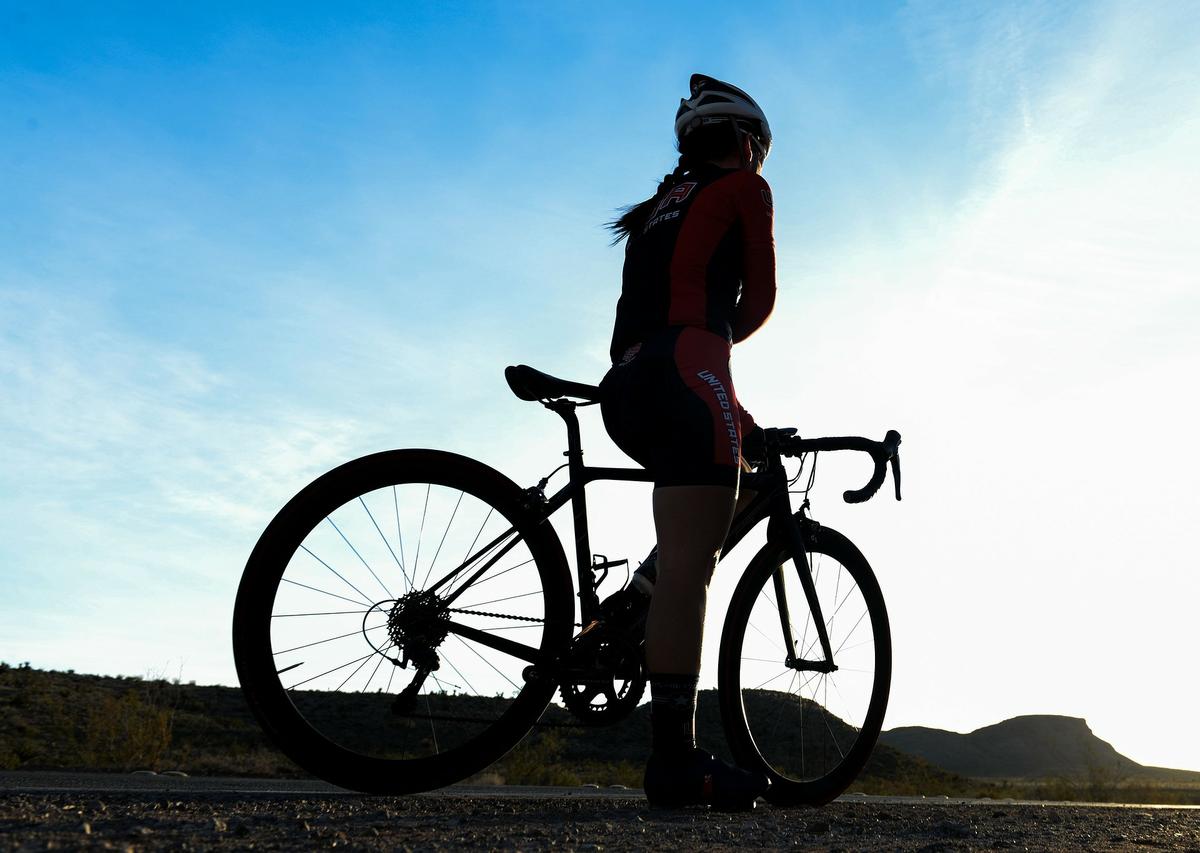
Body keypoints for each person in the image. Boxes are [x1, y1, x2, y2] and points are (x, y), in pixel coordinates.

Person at [598, 74, 777, 809]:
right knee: (690, 567)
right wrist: (720, 354)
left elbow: (660, 316)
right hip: (688, 371)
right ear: (744, 143)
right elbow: (757, 303)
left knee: (681, 538)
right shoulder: (743, 189)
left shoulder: (654, 209)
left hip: (627, 381)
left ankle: (617, 616)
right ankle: (674, 761)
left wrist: (736, 411)